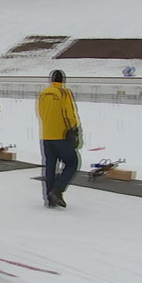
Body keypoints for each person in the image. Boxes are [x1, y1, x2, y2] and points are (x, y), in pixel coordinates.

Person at [37, 69, 81, 208]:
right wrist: (74, 128)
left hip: (46, 135)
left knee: (50, 166)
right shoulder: (64, 92)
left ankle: (50, 199)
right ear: (62, 81)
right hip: (61, 135)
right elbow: (69, 112)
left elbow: (40, 113)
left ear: (51, 80)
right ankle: (57, 190)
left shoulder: (43, 93)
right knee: (72, 162)